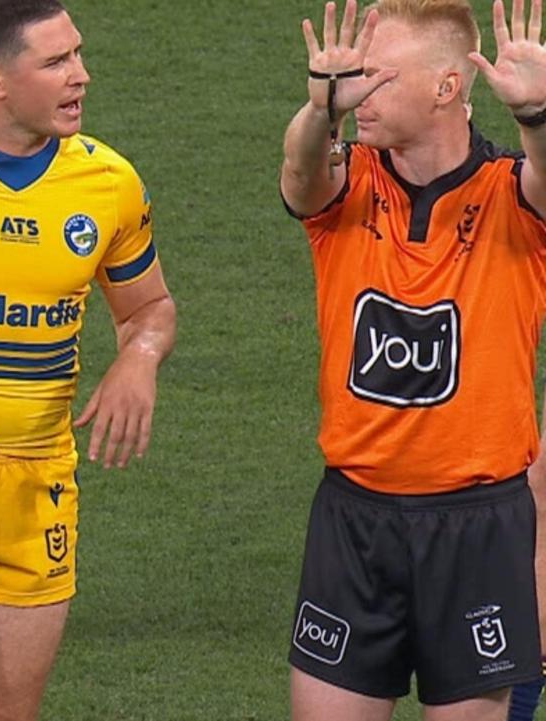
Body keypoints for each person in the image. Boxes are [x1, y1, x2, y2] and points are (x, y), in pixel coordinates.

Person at [0, 1, 176, 719]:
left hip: (37, 490)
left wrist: (139, 357)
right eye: (55, 62)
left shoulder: (109, 183)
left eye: (78, 55)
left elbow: (148, 307)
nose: (80, 76)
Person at [281, 1, 546, 718]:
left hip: (477, 524)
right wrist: (320, 114)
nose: (359, 90)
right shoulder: (350, 184)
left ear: (445, 87)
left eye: (377, 76)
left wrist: (539, 114)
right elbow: (302, 175)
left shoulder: (510, 191)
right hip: (353, 519)